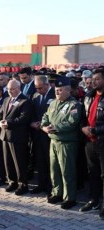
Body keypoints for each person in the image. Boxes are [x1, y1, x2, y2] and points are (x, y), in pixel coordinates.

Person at [41, 77, 82, 210]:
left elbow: (71, 122)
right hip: (53, 141)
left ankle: (70, 197)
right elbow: (45, 117)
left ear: (68, 90)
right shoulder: (53, 103)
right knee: (54, 170)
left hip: (66, 143)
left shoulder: (74, 105)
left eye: (60, 90)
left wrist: (53, 128)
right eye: (56, 90)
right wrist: (44, 127)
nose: (57, 93)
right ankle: (57, 193)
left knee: (67, 171)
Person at [0, 79, 32, 196]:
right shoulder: (6, 99)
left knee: (19, 161)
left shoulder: (25, 100)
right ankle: (12, 181)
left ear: (18, 88)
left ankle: (23, 184)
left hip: (18, 136)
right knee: (7, 160)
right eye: (8, 89)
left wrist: (8, 123)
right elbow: (0, 114)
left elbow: (24, 118)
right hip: (5, 135)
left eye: (12, 89)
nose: (10, 91)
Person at [80, 68, 104, 217]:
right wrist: (83, 127)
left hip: (102, 141)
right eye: (93, 79)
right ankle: (94, 200)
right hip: (89, 142)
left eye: (97, 79)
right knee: (92, 172)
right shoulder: (88, 96)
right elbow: (83, 116)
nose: (93, 82)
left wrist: (95, 130)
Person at [29, 75, 55, 195]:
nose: (38, 90)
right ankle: (41, 184)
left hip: (49, 134)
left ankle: (51, 187)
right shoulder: (35, 96)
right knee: (39, 160)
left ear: (46, 85)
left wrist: (44, 124)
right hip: (37, 134)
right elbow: (32, 112)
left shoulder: (55, 95)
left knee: (49, 161)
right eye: (36, 87)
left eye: (40, 88)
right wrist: (33, 123)